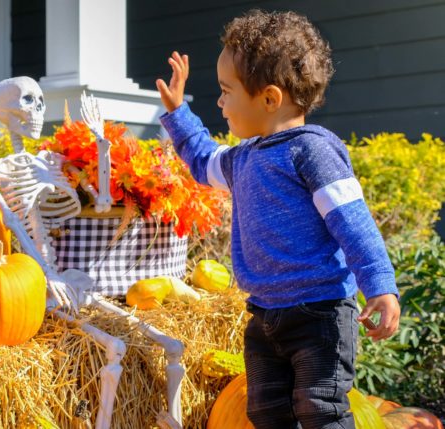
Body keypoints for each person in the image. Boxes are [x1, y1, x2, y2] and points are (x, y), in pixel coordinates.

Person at [156, 9, 400, 429]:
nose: (219, 102)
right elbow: (200, 161)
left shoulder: (313, 151)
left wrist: (379, 285)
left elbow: (352, 222)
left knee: (320, 409)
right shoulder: (241, 158)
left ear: (269, 99)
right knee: (265, 411)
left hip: (320, 313)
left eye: (226, 91)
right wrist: (178, 114)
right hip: (265, 314)